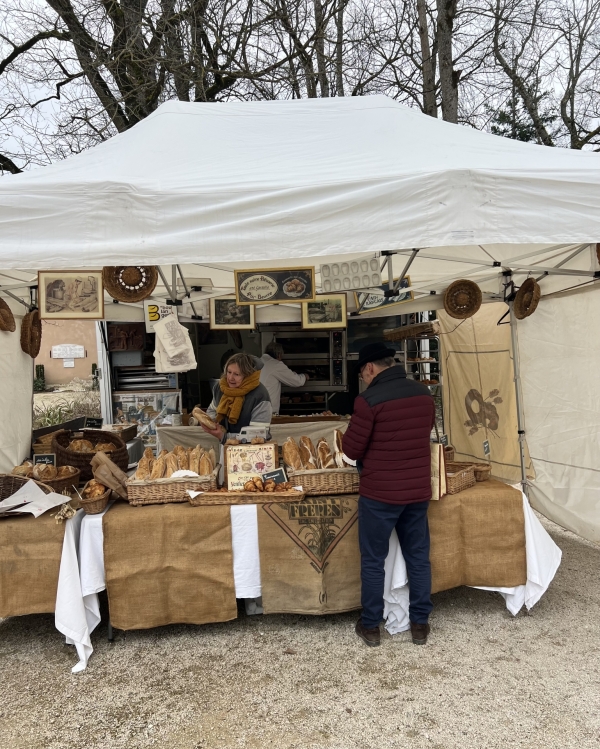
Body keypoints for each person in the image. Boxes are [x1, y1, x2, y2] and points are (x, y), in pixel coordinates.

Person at [342, 341, 435, 648]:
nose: (364, 379)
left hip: (380, 493)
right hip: (417, 490)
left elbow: (352, 450)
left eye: (363, 374)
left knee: (373, 560)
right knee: (418, 557)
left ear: (370, 368)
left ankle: (371, 626)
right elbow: (423, 434)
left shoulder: (368, 400)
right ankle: (420, 624)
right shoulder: (424, 394)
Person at [201, 353, 272, 443]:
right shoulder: (221, 388)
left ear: (248, 376)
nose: (230, 378)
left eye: (237, 374)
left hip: (253, 451)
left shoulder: (260, 395)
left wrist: (224, 436)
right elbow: (212, 410)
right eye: (229, 372)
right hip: (226, 446)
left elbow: (258, 434)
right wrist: (211, 423)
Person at [259, 342, 307, 414]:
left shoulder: (258, 361)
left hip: (256, 409)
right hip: (267, 412)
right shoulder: (275, 364)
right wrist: (304, 376)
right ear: (279, 355)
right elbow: (297, 381)